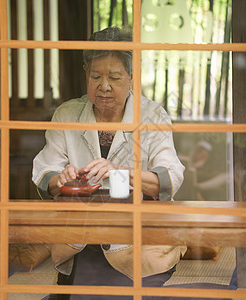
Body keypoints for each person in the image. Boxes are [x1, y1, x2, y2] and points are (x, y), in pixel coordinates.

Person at [32, 27, 186, 299]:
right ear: (85, 72)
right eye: (95, 76)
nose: (104, 86)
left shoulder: (152, 115)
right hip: (81, 242)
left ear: (131, 77)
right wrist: (60, 178)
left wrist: (123, 173)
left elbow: (170, 178)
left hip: (140, 241)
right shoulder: (67, 114)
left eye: (114, 77)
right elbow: (45, 173)